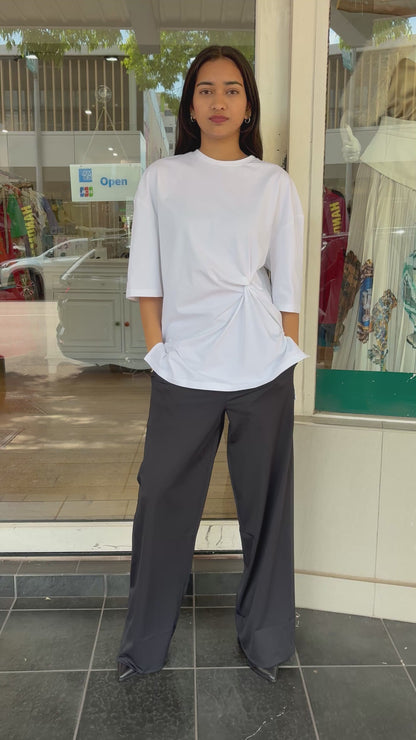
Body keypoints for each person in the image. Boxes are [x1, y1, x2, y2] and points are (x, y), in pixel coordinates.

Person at [117, 45, 306, 684]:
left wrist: (284, 352)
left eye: (231, 89)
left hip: (262, 367)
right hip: (183, 368)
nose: (218, 101)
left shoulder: (273, 183)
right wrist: (157, 351)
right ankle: (144, 647)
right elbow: (148, 276)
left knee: (267, 509)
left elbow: (288, 282)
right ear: (190, 105)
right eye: (205, 90)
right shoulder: (162, 179)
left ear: (248, 105)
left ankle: (267, 642)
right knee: (161, 501)